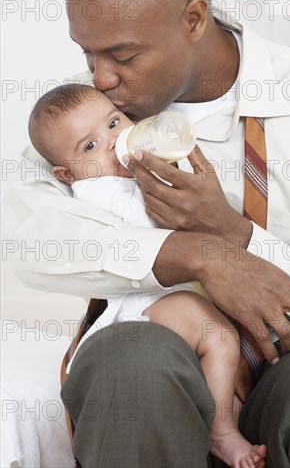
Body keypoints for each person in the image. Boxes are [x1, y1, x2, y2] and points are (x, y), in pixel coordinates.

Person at [6, 0, 290, 467]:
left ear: (194, 20)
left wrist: (234, 235)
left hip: (289, 362)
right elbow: (27, 237)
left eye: (122, 56)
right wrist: (195, 254)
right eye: (87, 55)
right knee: (129, 362)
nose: (101, 77)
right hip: (159, 354)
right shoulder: (87, 119)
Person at [28, 82, 267, 468]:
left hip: (162, 304)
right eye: (89, 147)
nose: (111, 142)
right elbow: (152, 228)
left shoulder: (127, 175)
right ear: (66, 174)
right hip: (143, 309)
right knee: (218, 335)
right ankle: (221, 432)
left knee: (219, 345)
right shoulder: (98, 191)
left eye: (113, 123)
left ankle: (219, 425)